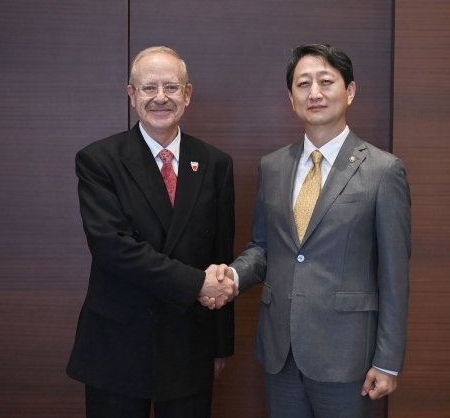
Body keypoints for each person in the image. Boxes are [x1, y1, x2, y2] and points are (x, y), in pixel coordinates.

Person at [202, 43, 411, 417]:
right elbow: (263, 247)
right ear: (291, 97)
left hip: (349, 358)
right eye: (303, 84)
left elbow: (395, 273)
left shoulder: (383, 170)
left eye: (326, 81)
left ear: (349, 92)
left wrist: (388, 360)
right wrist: (232, 274)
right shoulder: (273, 167)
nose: (314, 93)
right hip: (280, 353)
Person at [66, 46, 238, 418]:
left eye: (171, 87)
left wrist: (220, 344)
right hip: (118, 344)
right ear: (131, 95)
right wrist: (196, 283)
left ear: (187, 94)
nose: (160, 97)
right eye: (148, 88)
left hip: (189, 342)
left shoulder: (215, 163)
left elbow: (221, 253)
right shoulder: (98, 161)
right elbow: (114, 249)